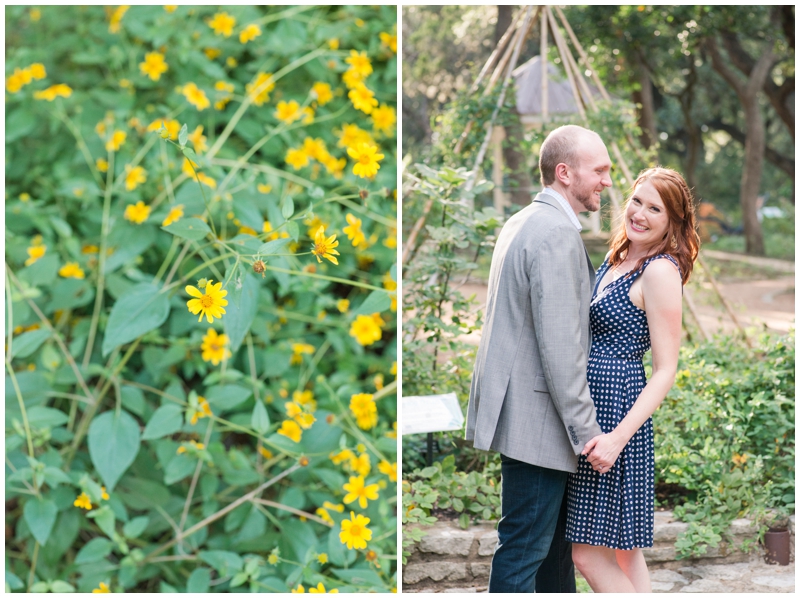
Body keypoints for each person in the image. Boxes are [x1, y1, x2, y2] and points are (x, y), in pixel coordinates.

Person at [465, 124, 613, 593]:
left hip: (529, 417)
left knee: (550, 555)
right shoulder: (553, 234)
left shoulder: (524, 220)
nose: (607, 181)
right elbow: (561, 348)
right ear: (565, 173)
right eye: (600, 170)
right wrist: (588, 433)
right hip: (539, 423)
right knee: (525, 551)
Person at [565, 167, 700, 592]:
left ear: (673, 222)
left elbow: (665, 370)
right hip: (595, 408)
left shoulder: (660, 272)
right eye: (636, 201)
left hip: (618, 418)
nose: (639, 214)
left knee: (586, 553)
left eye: (654, 208)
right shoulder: (617, 257)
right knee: (625, 550)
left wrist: (617, 438)